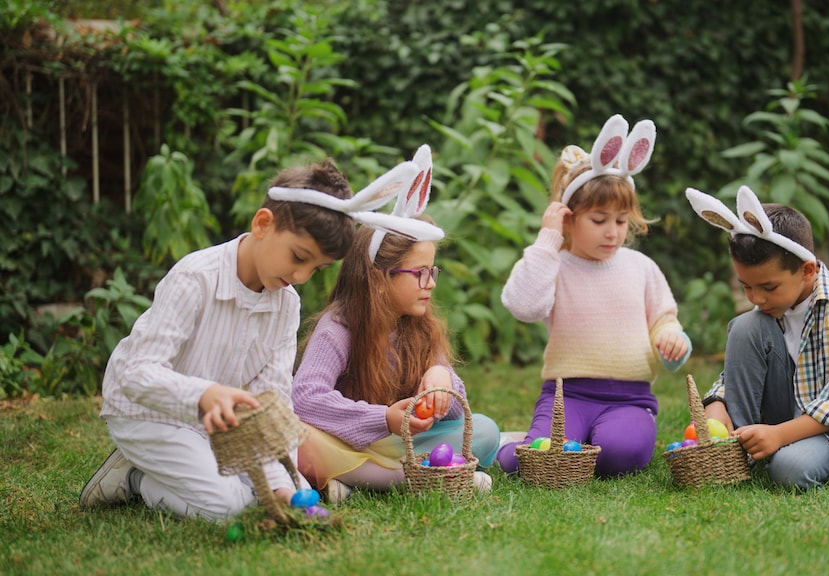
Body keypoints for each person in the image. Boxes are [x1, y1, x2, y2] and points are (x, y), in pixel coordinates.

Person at [79, 156, 424, 520]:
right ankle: (135, 477)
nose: (302, 276)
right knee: (227, 507)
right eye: (298, 257)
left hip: (213, 424)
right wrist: (204, 394)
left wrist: (281, 485)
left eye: (317, 268)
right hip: (148, 412)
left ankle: (199, 470)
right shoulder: (196, 278)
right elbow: (136, 374)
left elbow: (272, 399)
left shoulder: (285, 303)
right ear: (263, 223)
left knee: (297, 492)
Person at [291, 145, 500, 502]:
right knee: (298, 435)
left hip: (398, 444)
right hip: (344, 439)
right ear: (378, 277)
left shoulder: (420, 326)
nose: (430, 283)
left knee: (485, 430)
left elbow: (455, 404)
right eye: (419, 273)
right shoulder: (338, 328)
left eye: (432, 271)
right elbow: (304, 399)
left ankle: (360, 480)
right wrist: (384, 418)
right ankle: (410, 479)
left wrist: (441, 381)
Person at [496, 114, 692, 478]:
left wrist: (671, 341)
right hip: (566, 396)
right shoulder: (555, 265)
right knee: (540, 462)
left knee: (621, 455)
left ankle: (582, 446)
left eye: (620, 221)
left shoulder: (641, 267)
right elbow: (522, 306)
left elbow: (664, 320)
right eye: (598, 220)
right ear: (570, 218)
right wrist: (547, 240)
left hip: (630, 398)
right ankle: (512, 445)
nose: (613, 233)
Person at [685, 185, 829, 489]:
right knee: (746, 326)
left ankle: (771, 446)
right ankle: (740, 447)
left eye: (769, 287)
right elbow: (739, 374)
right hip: (787, 417)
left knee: (788, 470)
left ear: (807, 270)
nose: (757, 298)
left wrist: (779, 435)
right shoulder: (771, 310)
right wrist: (718, 406)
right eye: (746, 286)